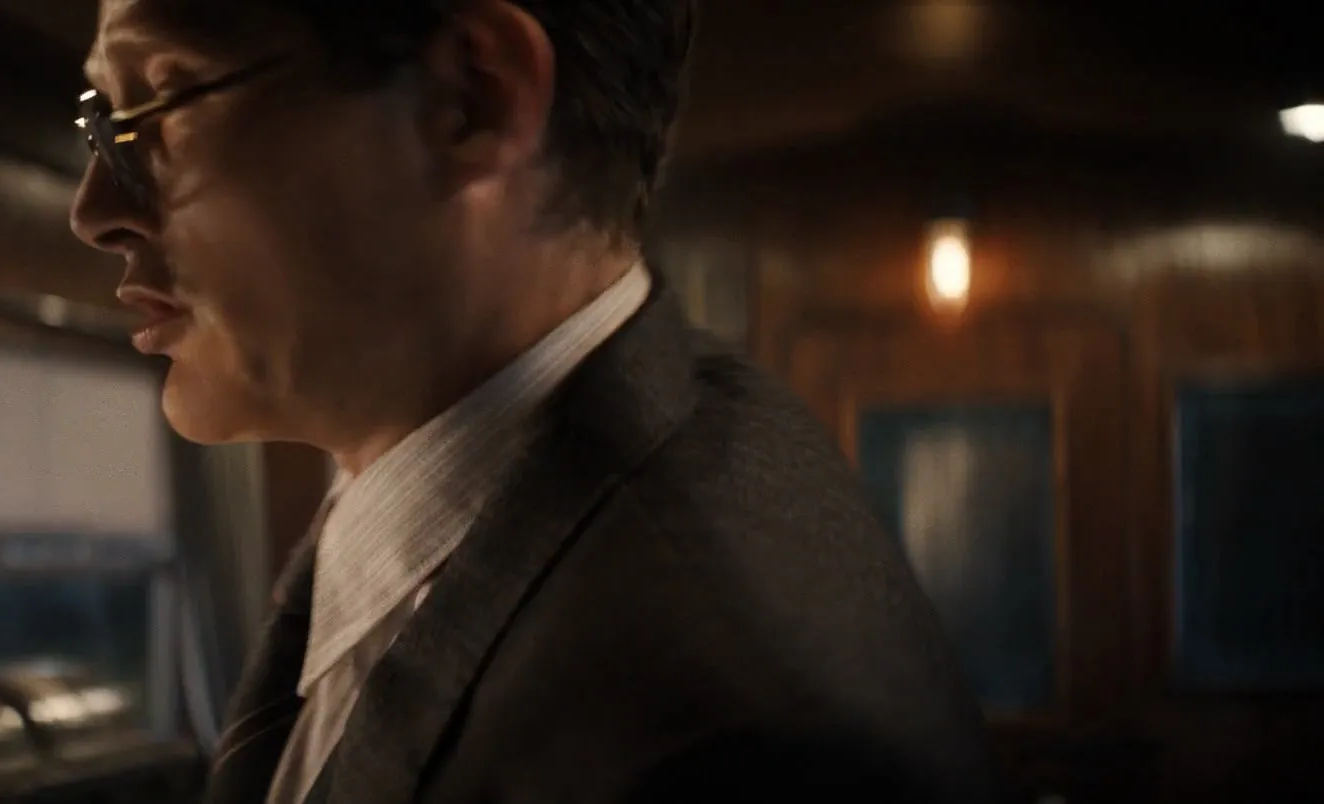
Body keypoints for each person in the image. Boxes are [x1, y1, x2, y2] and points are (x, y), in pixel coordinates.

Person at [69, 0, 1012, 801]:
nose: (94, 209)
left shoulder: (725, 734)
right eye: (99, 120)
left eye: (161, 101)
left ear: (470, 100)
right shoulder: (610, 456)